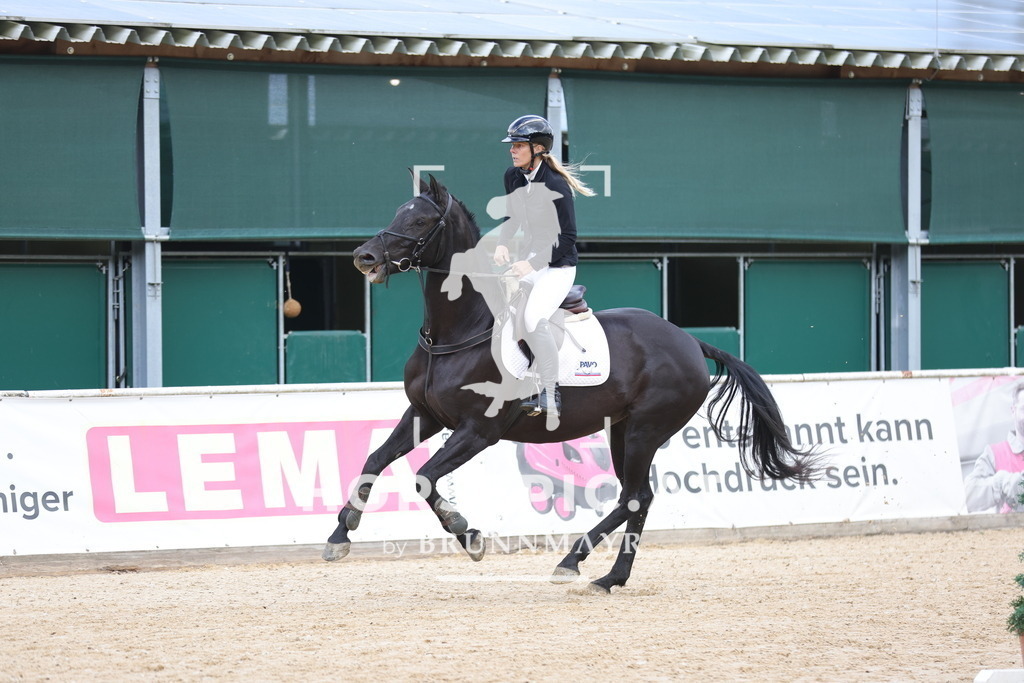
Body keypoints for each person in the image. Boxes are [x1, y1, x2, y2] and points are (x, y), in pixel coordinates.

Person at [492, 114, 594, 422]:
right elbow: (513, 218)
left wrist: (533, 263)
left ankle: (551, 392)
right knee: (501, 308)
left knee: (534, 316)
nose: (512, 150)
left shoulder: (556, 184)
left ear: (537, 148)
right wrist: (503, 243)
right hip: (528, 262)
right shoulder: (513, 176)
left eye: (519, 146)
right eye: (512, 146)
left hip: (558, 266)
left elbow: (568, 238)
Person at [964, 380, 1024, 513]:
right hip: (1010, 532)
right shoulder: (994, 454)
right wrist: (1003, 483)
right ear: (1013, 411)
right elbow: (967, 496)